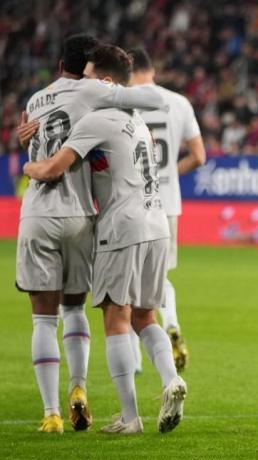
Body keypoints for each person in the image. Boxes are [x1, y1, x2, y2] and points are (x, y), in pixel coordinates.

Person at [24, 44, 187, 434]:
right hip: (157, 224)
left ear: (107, 82)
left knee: (116, 318)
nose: (86, 82)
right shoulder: (138, 121)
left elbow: (51, 170)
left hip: (123, 227)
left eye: (92, 76)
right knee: (147, 316)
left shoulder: (97, 122)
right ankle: (172, 380)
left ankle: (130, 417)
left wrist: (27, 161)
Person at [127, 47, 206, 373]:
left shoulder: (121, 100)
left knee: (126, 285)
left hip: (129, 200)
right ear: (153, 69)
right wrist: (169, 173)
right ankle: (171, 322)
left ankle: (132, 361)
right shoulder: (179, 102)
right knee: (161, 276)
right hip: (168, 204)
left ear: (127, 71)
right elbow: (199, 156)